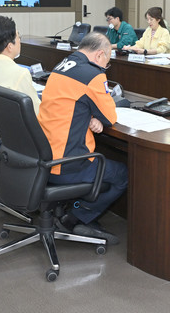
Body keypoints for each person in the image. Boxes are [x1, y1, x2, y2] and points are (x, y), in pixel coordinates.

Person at [37, 32, 128, 244]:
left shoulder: (61, 66)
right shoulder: (93, 74)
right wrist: (96, 115)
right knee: (123, 174)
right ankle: (76, 217)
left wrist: (89, 115)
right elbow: (110, 117)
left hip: (42, 156)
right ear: (99, 55)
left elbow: (71, 103)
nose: (105, 67)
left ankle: (72, 209)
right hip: (66, 163)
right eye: (107, 62)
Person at [0, 16, 41, 114]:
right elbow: (37, 112)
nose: (20, 41)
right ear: (10, 47)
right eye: (18, 37)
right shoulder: (20, 74)